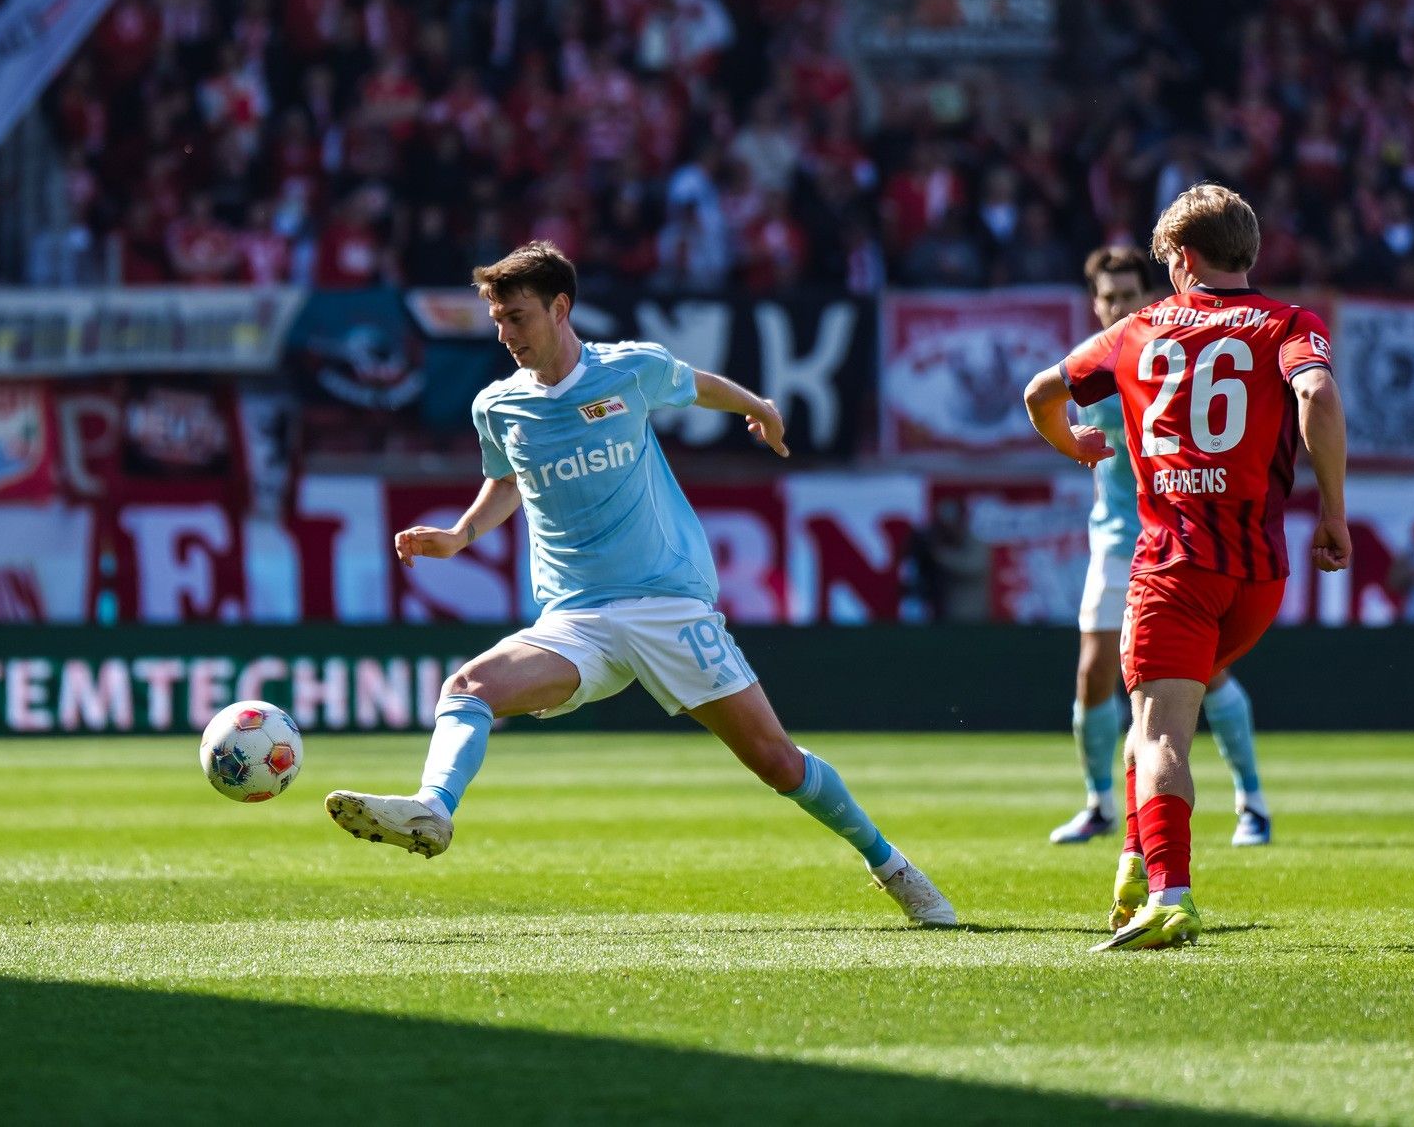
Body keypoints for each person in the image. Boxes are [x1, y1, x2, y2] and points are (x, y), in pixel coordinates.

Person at [326, 241, 956, 926]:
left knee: (777, 762)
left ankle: (890, 863)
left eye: (517, 317)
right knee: (469, 687)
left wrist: (761, 407)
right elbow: (505, 480)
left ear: (560, 308)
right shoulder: (497, 407)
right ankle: (433, 808)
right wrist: (459, 535)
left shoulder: (629, 369)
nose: (505, 334)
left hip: (668, 605)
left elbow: (699, 384)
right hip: (574, 620)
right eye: (499, 320)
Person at [1024, 185, 1350, 951]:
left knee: (1161, 728)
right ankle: (1136, 860)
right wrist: (1333, 511)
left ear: (1181, 259)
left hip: (1175, 563)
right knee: (1157, 719)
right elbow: (1319, 395)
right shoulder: (1290, 323)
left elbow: (1041, 392)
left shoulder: (1138, 327)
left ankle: (1170, 893)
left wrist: (1072, 443)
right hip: (1259, 575)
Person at [1048, 246, 1276, 850]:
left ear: (1147, 296)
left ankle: (1251, 800)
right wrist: (1070, 441)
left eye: (1128, 295)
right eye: (1108, 297)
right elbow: (1046, 403)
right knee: (1093, 674)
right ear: (1094, 304)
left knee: (1206, 673)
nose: (1118, 305)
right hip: (1118, 536)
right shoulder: (1095, 363)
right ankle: (1099, 802)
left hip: (1177, 536)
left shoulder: (1168, 350)